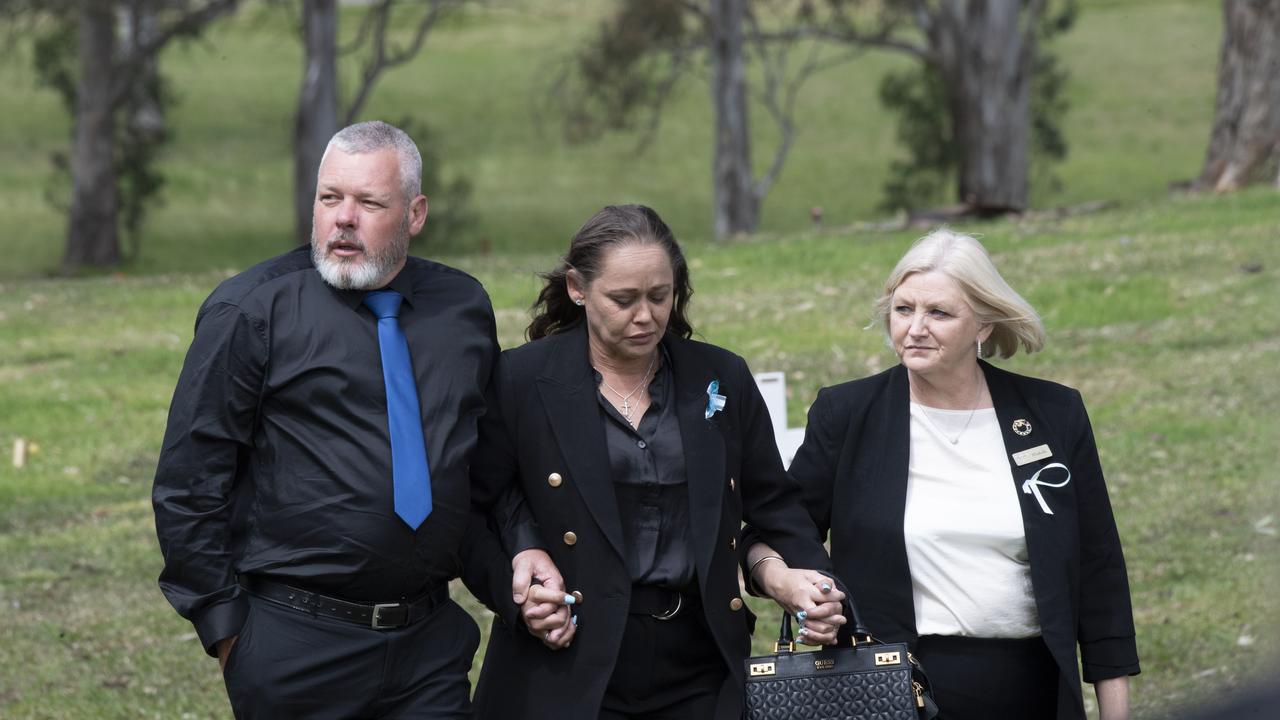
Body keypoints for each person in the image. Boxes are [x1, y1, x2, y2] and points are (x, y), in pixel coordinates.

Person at [152, 120, 562, 719]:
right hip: (294, 647)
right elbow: (190, 483)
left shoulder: (462, 308)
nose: (343, 218)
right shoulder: (250, 310)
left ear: (415, 214)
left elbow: (483, 463)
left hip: (429, 646)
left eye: (369, 202)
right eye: (329, 198)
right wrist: (229, 635)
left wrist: (522, 549)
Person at [460, 204, 845, 720]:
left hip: (698, 663)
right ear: (577, 288)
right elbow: (475, 509)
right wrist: (518, 598)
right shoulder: (521, 379)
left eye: (659, 296)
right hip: (565, 661)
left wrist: (812, 586)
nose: (645, 316)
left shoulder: (721, 378)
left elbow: (774, 504)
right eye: (623, 299)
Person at [745, 228, 1141, 720]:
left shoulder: (1053, 413)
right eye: (903, 308)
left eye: (939, 313)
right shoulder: (847, 414)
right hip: (891, 691)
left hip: (1032, 688)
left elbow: (1100, 576)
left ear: (983, 326)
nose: (915, 328)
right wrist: (792, 589)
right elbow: (772, 535)